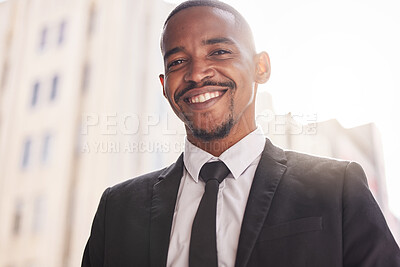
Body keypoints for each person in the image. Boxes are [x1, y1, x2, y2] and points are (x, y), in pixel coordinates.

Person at [82, 0, 400, 266]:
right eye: (178, 61)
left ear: (260, 67)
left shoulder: (336, 188)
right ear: (165, 87)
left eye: (219, 52)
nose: (197, 73)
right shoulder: (118, 209)